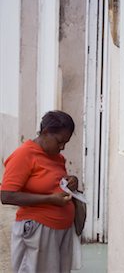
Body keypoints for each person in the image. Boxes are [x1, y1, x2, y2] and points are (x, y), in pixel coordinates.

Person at [1, 110, 79, 273]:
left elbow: (54, 182)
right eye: (59, 142)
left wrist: (72, 182)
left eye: (66, 143)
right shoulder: (24, 155)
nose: (62, 147)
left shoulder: (57, 157)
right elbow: (6, 195)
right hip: (37, 233)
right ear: (45, 133)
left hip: (60, 230)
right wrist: (50, 199)